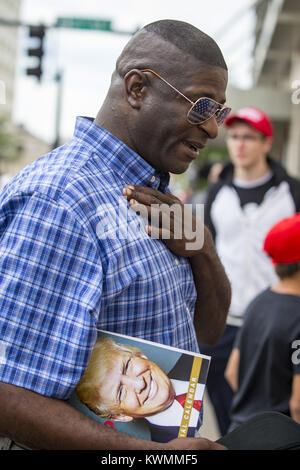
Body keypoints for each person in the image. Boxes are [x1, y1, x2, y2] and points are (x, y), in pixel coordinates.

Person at [0, 19, 231, 450]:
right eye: (201, 106)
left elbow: (207, 333)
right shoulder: (62, 201)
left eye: (219, 111)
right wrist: (154, 457)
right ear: (138, 88)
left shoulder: (157, 203)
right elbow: (8, 393)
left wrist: (203, 249)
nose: (213, 129)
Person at [200, 106, 300, 435]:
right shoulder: (217, 193)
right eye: (234, 137)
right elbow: (205, 253)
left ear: (266, 143)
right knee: (228, 416)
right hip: (224, 323)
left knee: (277, 417)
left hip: (277, 323)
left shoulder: (292, 191)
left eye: (249, 137)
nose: (239, 144)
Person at [225, 213, 300, 430]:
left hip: (241, 431)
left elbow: (232, 372)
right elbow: (297, 405)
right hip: (281, 438)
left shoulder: (258, 303)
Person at [75, 337, 208, 443]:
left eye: (127, 367)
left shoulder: (195, 361)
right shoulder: (161, 449)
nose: (139, 384)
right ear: (120, 416)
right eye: (121, 392)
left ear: (140, 355)